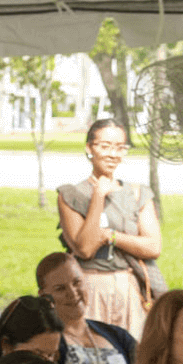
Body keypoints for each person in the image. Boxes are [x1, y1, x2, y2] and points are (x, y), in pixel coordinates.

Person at [52, 114, 162, 331]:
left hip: (128, 287)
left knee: (132, 354)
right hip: (89, 286)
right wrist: (98, 197)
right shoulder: (71, 194)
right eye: (105, 146)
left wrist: (111, 236)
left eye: (120, 147)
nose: (113, 154)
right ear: (89, 148)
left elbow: (153, 246)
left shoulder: (138, 193)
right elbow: (84, 248)